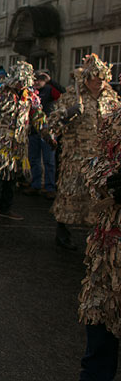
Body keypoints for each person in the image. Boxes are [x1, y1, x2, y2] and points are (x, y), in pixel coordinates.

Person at [47, 54, 120, 250]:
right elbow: (51, 124)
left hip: (101, 159)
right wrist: (67, 113)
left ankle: (96, 237)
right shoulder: (72, 95)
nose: (100, 83)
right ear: (86, 79)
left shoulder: (111, 98)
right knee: (70, 194)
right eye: (96, 79)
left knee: (97, 198)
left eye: (103, 79)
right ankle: (62, 234)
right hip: (75, 157)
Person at [78, 104, 121, 380]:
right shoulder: (113, 119)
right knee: (100, 317)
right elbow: (93, 163)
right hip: (110, 244)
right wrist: (105, 181)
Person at [0, 61, 46, 222]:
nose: (21, 85)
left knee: (12, 176)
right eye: (19, 82)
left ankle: (5, 208)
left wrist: (48, 134)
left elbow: (38, 116)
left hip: (18, 143)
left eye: (24, 83)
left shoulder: (30, 96)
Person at [23, 70, 61, 199]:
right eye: (35, 79)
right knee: (33, 159)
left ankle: (50, 187)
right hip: (33, 130)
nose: (37, 82)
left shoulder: (50, 90)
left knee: (49, 160)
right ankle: (36, 184)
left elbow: (63, 93)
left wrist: (51, 81)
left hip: (47, 130)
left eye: (40, 79)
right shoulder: (30, 92)